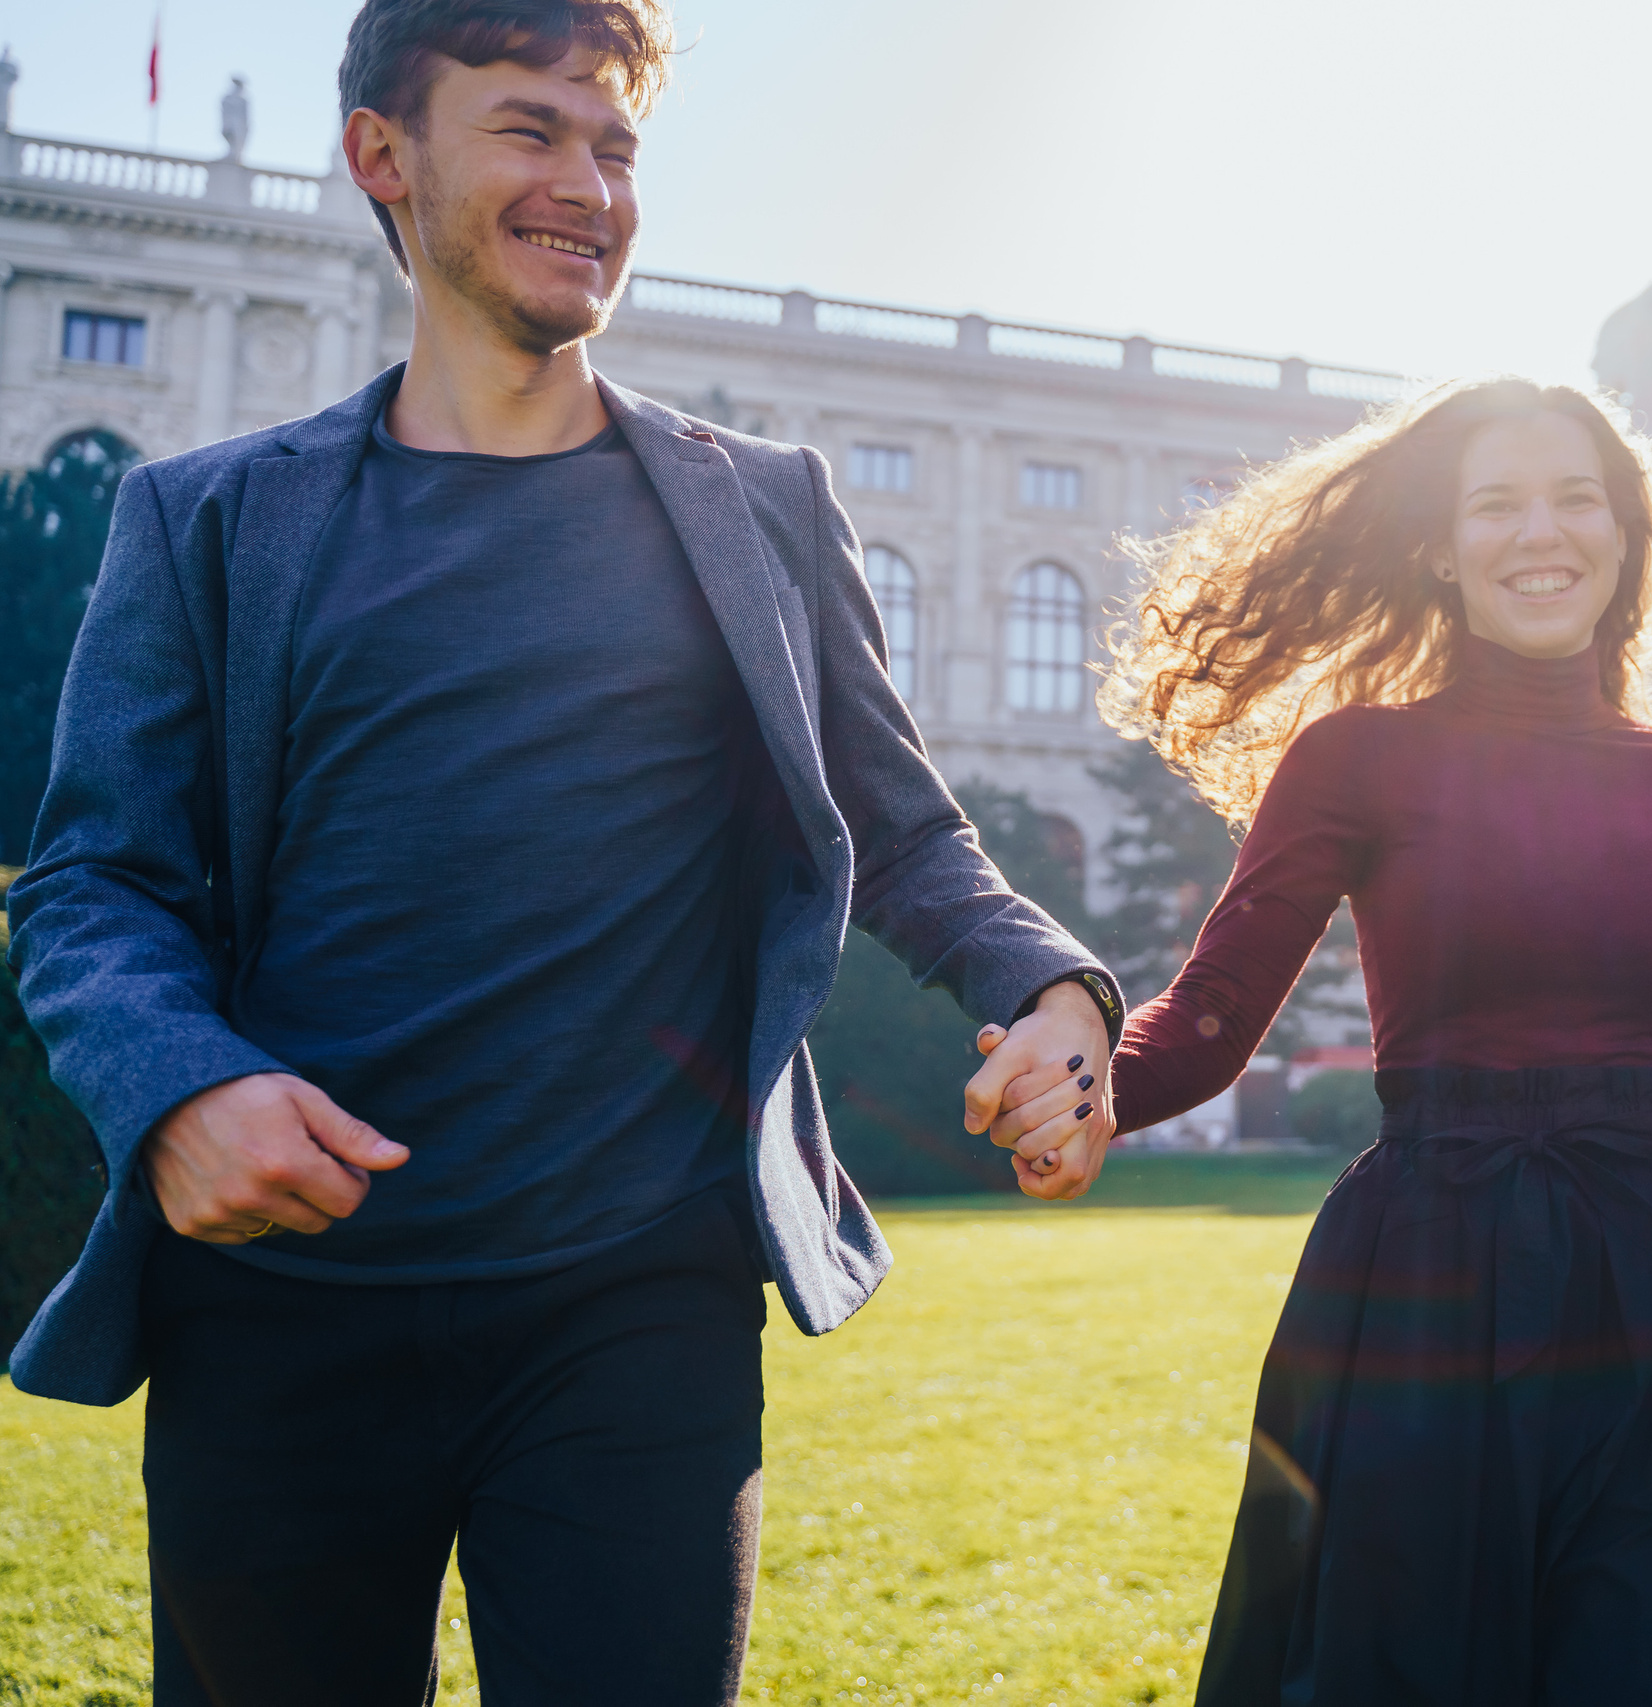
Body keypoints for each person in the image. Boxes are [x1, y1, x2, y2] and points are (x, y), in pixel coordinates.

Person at [3, 4, 1119, 1702]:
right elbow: (96, 883)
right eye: (530, 131)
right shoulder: (206, 517)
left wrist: (1048, 984)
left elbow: (906, 838)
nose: (586, 186)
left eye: (615, 148)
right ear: (385, 155)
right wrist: (174, 1085)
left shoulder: (763, 508)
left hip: (637, 1318)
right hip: (283, 1315)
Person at [986, 378, 1652, 1704]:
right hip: (1429, 1299)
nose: (1536, 531)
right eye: (1495, 501)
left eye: (1573, 499)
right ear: (1442, 543)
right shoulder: (1356, 758)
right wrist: (1090, 1088)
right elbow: (1211, 1017)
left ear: (1624, 537)